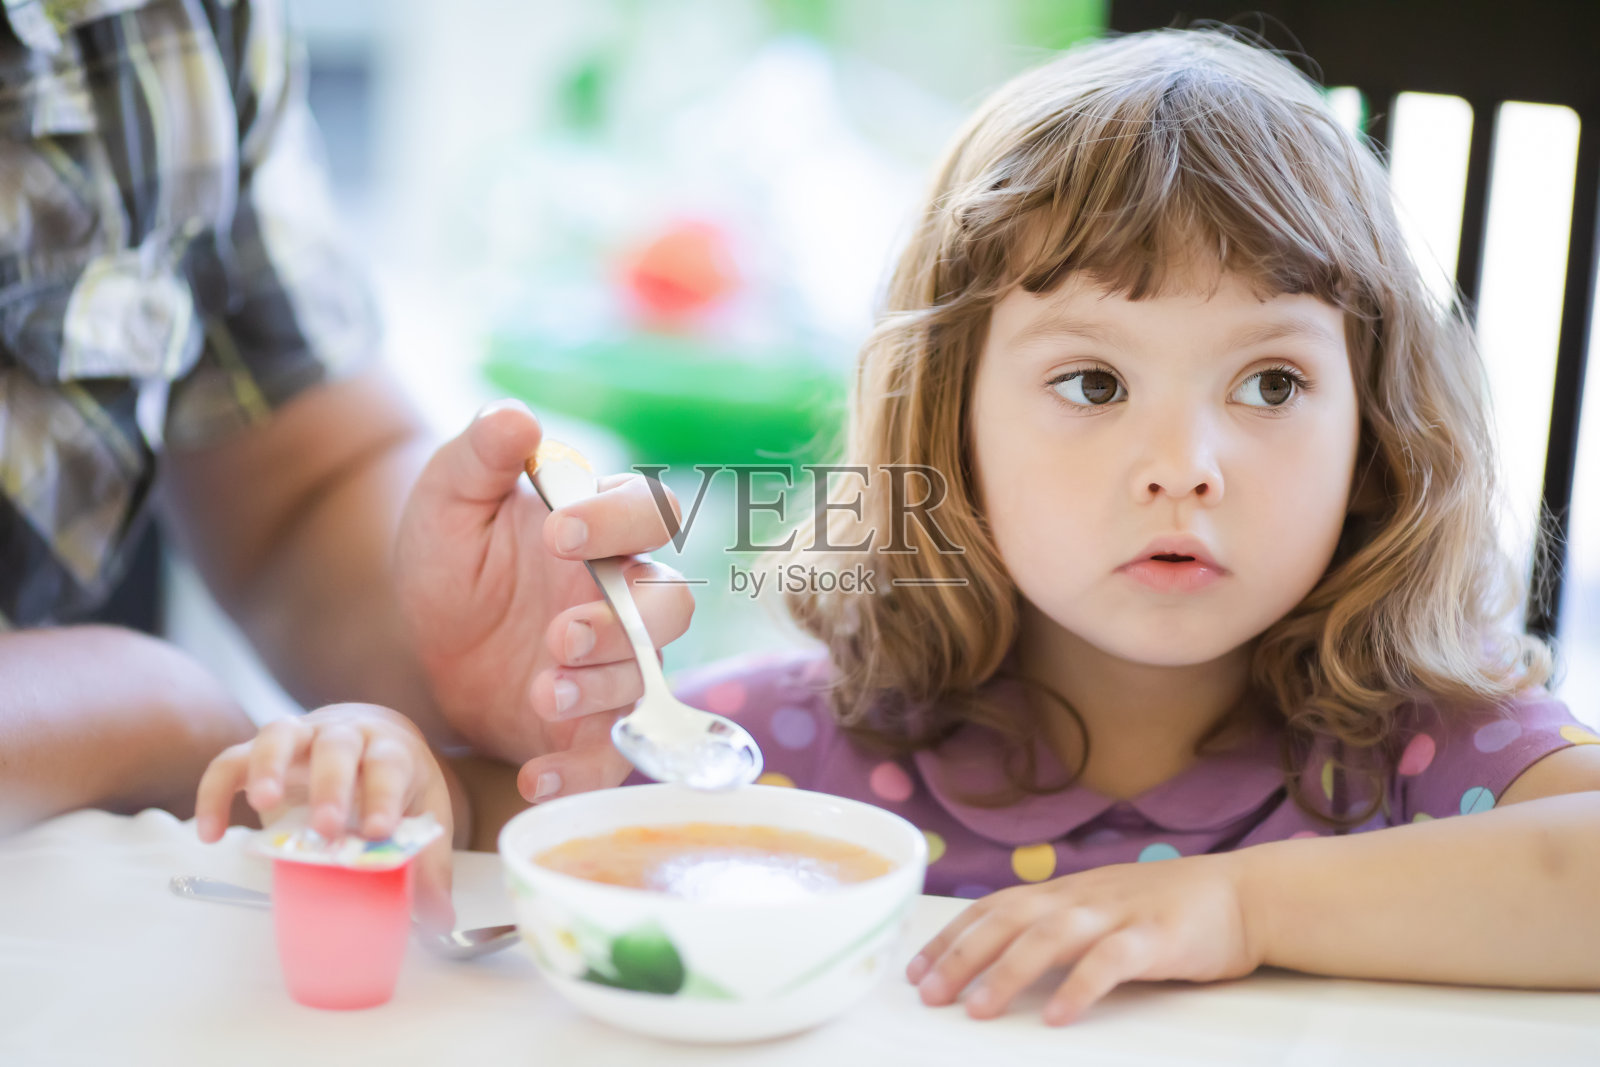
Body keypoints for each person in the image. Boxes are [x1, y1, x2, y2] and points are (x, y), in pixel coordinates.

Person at [198, 25, 1600, 1021]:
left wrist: (1238, 908)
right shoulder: (805, 754)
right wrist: (385, 768)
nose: (1186, 463)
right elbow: (502, 825)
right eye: (1093, 381)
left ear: (1372, 439)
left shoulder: (1425, 751)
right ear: (954, 434)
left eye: (1274, 381)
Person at [0, 0, 686, 931]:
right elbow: (168, 730)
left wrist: (449, 628)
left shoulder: (191, 24)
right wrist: (157, 714)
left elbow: (305, 484)